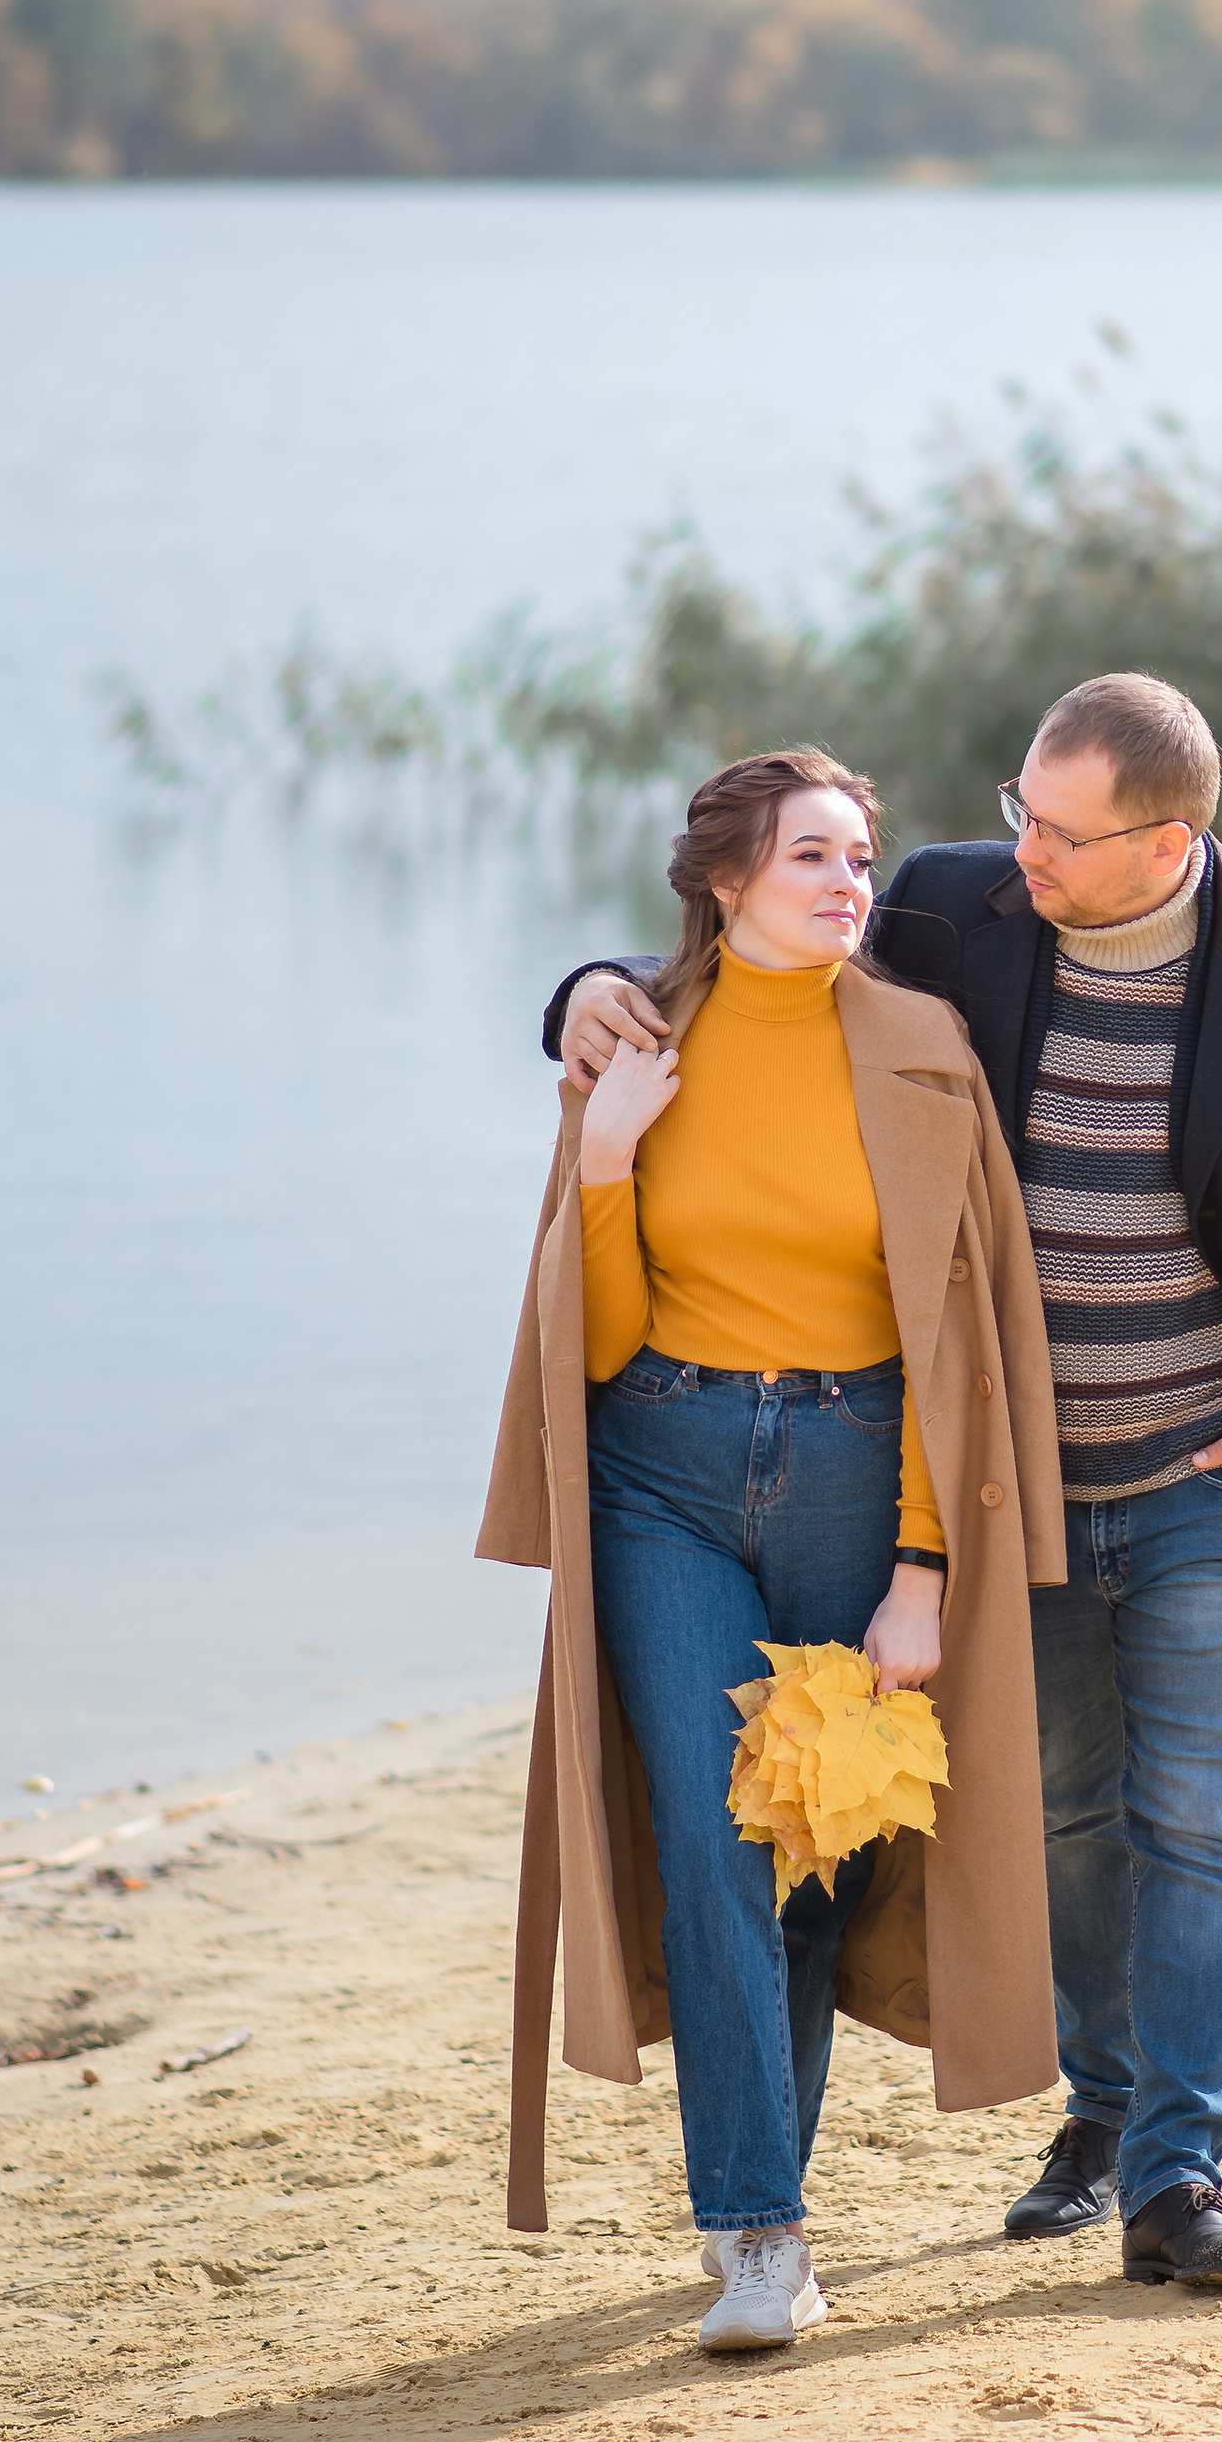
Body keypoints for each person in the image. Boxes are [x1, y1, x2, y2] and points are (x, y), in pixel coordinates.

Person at [548, 675, 1222, 2297]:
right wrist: (587, 989)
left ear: (1169, 839)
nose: (1013, 843)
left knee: (1204, 1820)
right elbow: (753, 950)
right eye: (1015, 804)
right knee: (1074, 1822)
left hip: (1213, 1479)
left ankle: (1181, 2169)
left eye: (1057, 826)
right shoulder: (963, 908)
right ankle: (1100, 2117)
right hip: (1014, 1486)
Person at [477, 745, 1065, 2352]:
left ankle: (766, 2195)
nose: (848, 880)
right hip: (662, 1473)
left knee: (814, 1863)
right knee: (711, 1839)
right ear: (725, 880)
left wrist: (926, 1570)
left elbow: (959, 1345)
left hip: (860, 1478)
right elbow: (587, 1357)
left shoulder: (923, 1048)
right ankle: (756, 2228)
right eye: (812, 854)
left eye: (860, 854)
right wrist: (604, 1160)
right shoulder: (637, 1045)